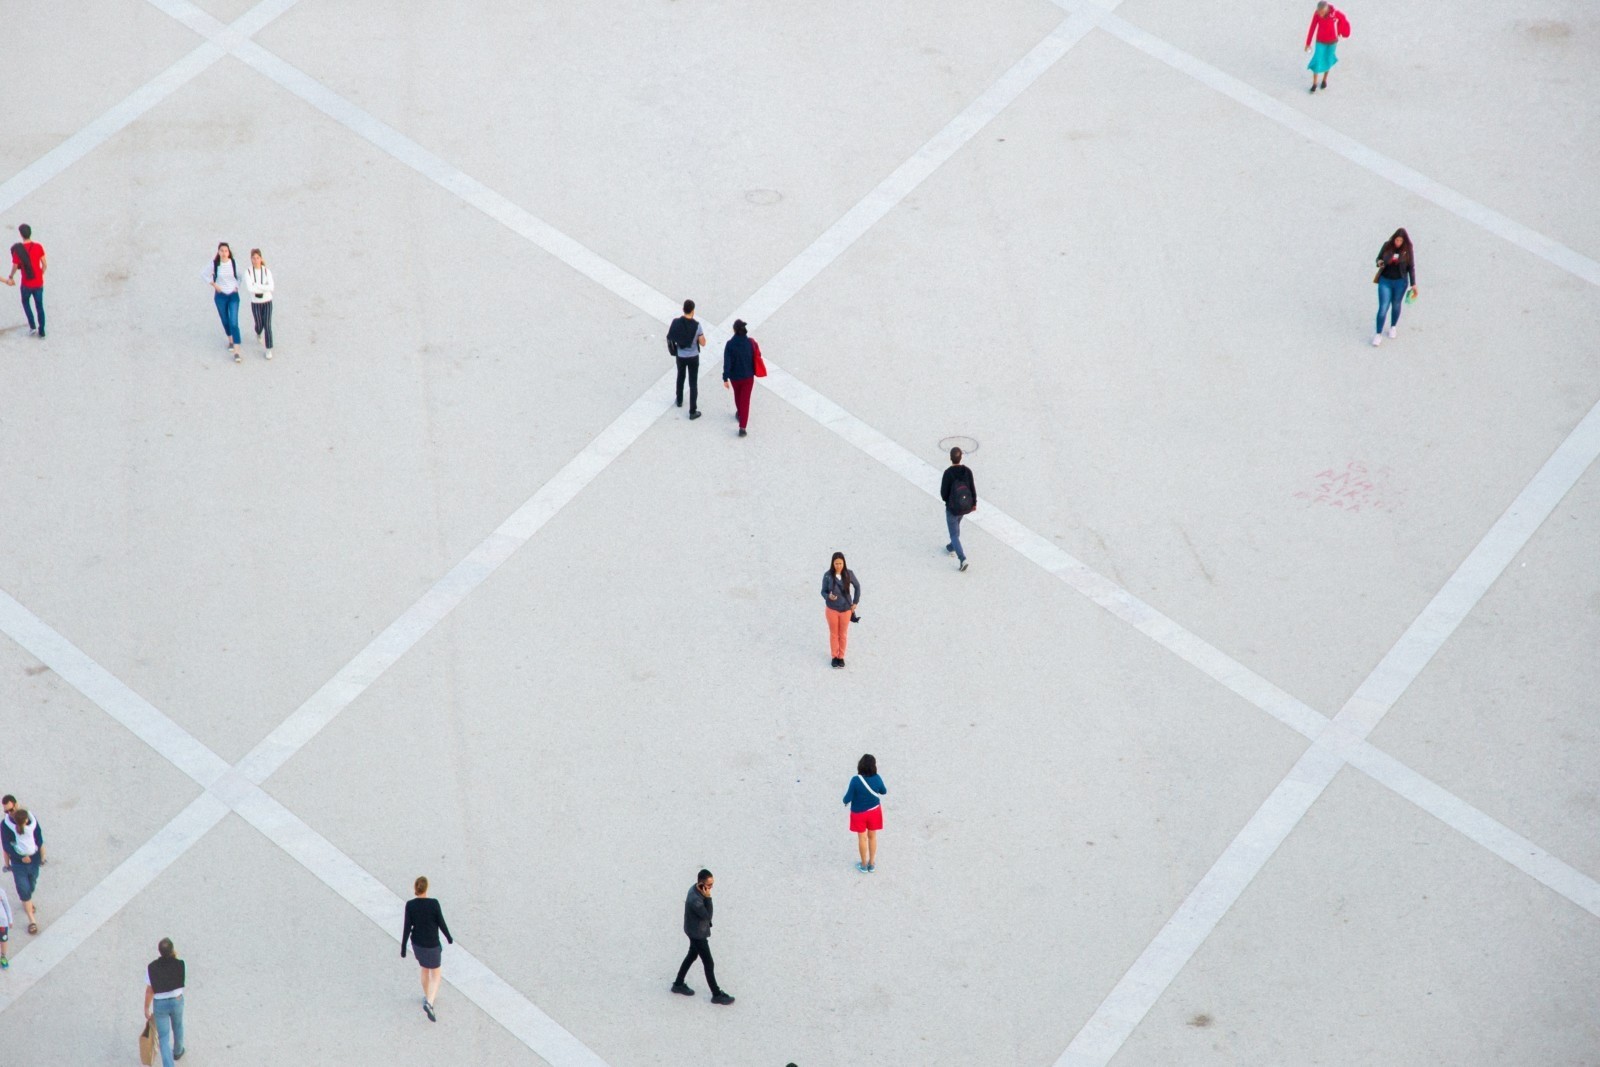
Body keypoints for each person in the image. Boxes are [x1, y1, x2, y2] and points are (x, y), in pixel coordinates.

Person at [671, 869, 734, 1004]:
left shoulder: (694, 889)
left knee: (692, 955)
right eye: (709, 885)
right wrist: (708, 898)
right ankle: (716, 994)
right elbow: (707, 916)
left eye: (712, 884)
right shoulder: (696, 901)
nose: (711, 888)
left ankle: (678, 983)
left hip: (692, 930)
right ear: (701, 883)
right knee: (708, 963)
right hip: (697, 934)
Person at [401, 875, 453, 1021]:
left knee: (424, 968)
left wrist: (403, 947)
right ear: (426, 888)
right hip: (432, 944)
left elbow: (406, 927)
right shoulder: (433, 904)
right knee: (436, 973)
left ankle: (427, 996)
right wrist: (448, 937)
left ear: (415, 889)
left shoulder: (410, 905)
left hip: (417, 944)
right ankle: (430, 1002)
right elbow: (441, 923)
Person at [144, 937, 186, 1066]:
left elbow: (150, 991)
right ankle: (178, 1051)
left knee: (163, 1037)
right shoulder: (180, 964)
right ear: (172, 949)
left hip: (160, 1004)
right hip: (177, 1000)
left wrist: (146, 1007)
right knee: (178, 1026)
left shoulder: (152, 967)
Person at [1371, 228, 1417, 346]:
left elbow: (1411, 267)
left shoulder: (1407, 249)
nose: (1398, 242)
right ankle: (1378, 334)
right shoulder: (1387, 245)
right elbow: (1378, 259)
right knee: (1383, 307)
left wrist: (1413, 284)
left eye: (1401, 240)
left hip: (1400, 282)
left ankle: (1393, 326)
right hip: (1385, 280)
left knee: (1396, 304)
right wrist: (1380, 262)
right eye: (1397, 239)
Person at [842, 754, 888, 872]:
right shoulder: (877, 778)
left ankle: (863, 865)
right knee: (872, 837)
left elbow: (847, 798)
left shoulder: (855, 780)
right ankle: (871, 864)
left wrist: (845, 801)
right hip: (874, 812)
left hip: (859, 814)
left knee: (862, 838)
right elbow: (884, 791)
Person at [2, 806, 44, 934]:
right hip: (19, 863)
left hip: (33, 860)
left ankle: (28, 901)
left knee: (31, 884)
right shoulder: (14, 827)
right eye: (6, 811)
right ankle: (32, 921)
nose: (9, 813)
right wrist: (15, 860)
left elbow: (40, 840)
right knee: (24, 889)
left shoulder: (22, 828)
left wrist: (41, 858)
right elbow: (6, 847)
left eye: (11, 810)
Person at [667, 299, 706, 419]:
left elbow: (671, 337)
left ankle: (679, 400)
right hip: (693, 357)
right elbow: (703, 343)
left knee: (680, 376)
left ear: (683, 309)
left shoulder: (676, 322)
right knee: (693, 383)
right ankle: (692, 411)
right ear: (693, 311)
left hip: (681, 356)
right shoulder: (697, 326)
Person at [821, 551, 861, 669]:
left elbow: (857, 586)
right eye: (836, 563)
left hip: (846, 609)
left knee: (842, 634)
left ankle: (841, 656)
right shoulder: (827, 575)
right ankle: (834, 656)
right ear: (833, 563)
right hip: (832, 609)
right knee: (834, 634)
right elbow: (823, 591)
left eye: (840, 563)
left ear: (844, 563)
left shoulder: (849, 574)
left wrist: (855, 602)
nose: (838, 565)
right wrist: (828, 596)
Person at [5, 225, 46, 337]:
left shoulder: (18, 250)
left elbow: (15, 266)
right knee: (39, 306)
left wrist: (11, 276)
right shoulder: (38, 246)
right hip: (38, 283)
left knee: (25, 303)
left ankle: (32, 326)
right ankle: (42, 330)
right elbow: (44, 264)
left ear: (21, 235)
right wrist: (41, 273)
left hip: (26, 283)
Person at [940, 446, 977, 572]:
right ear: (961, 457)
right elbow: (972, 488)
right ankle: (951, 546)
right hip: (965, 506)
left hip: (952, 508)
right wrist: (974, 504)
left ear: (950, 458)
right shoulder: (967, 471)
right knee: (957, 524)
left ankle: (962, 559)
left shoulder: (948, 473)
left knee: (954, 534)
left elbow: (943, 493)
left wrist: (948, 502)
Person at [208, 242, 242, 361]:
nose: (224, 253)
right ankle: (230, 340)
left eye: (226, 251)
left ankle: (237, 351)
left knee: (234, 322)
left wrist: (237, 286)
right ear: (218, 252)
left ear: (229, 252)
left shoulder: (233, 263)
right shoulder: (214, 264)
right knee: (225, 320)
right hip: (220, 296)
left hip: (232, 295)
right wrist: (213, 284)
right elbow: (203, 274)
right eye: (221, 251)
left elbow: (240, 276)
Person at [722, 319, 757, 436]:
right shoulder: (750, 343)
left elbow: (727, 363)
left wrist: (725, 378)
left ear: (734, 330)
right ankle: (742, 427)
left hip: (735, 377)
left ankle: (740, 413)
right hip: (748, 377)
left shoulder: (730, 344)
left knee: (737, 395)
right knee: (745, 401)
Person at [1304, 2, 1348, 93]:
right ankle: (1315, 83)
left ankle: (1324, 80)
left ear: (1326, 10)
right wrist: (1308, 43)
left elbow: (1343, 19)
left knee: (1328, 59)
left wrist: (1340, 31)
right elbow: (1312, 27)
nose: (1320, 14)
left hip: (1332, 41)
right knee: (1317, 59)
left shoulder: (1334, 14)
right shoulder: (1317, 14)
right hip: (1320, 41)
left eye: (1322, 12)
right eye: (1319, 12)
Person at [247, 248, 275, 358]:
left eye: (257, 258)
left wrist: (257, 286)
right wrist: (264, 287)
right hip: (255, 302)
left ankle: (268, 348)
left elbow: (271, 287)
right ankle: (258, 332)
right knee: (259, 324)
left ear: (261, 258)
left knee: (267, 325)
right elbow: (250, 288)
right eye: (253, 258)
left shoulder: (267, 271)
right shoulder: (248, 272)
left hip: (267, 301)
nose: (255, 260)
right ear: (251, 259)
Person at [0, 879, 12, 969]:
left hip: (2, 922)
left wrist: (10, 920)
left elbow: (6, 906)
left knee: (3, 940)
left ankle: (3, 957)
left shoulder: (1, 892)